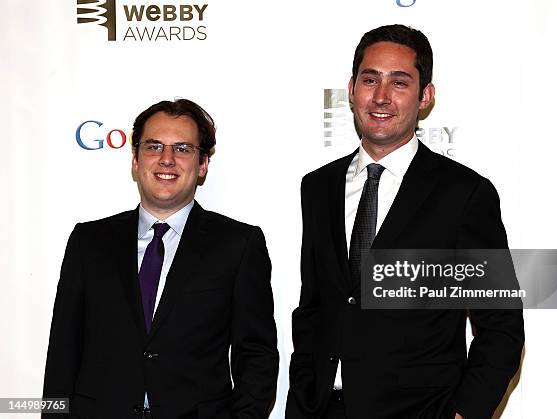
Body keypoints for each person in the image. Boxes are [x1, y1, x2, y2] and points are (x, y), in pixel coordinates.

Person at [286, 25, 524, 419]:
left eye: (399, 82)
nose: (381, 97)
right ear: (351, 89)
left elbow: (501, 326)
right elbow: (314, 307)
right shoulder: (318, 187)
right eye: (370, 80)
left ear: (425, 96)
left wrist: (464, 412)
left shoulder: (464, 193)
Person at [43, 99, 279, 418]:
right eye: (154, 146)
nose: (166, 159)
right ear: (136, 160)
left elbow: (257, 355)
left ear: (203, 164)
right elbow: (62, 354)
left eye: (182, 149)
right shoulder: (89, 242)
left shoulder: (238, 245)